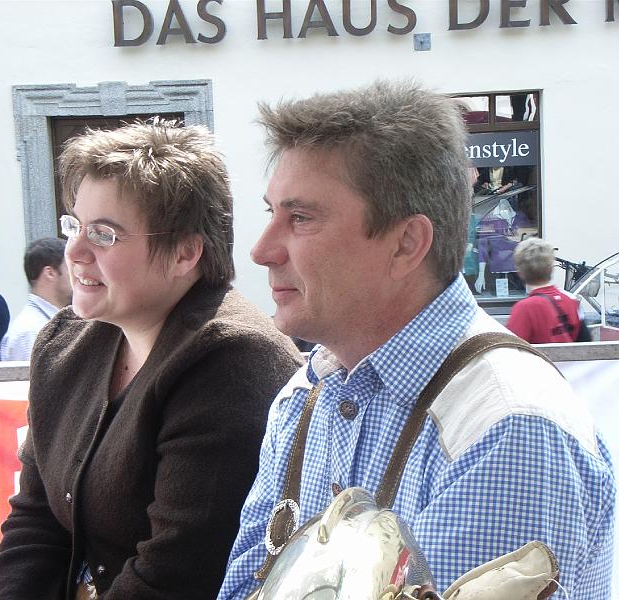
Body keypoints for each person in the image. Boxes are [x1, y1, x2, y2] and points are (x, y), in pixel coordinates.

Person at [218, 81, 614, 599]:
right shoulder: (305, 395)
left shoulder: (508, 426)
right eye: (271, 213)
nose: (261, 250)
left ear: (406, 243)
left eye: (301, 218)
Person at [0, 120, 303, 600]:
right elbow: (35, 520)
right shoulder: (64, 343)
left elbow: (175, 577)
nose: (75, 251)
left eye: (104, 234)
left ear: (184, 253)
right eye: (73, 225)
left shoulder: (232, 361)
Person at [0, 237, 71, 361]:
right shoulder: (29, 333)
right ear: (50, 273)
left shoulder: (50, 323)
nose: (79, 275)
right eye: (71, 267)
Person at [506, 237, 589, 343]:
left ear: (520, 272)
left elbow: (512, 348)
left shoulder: (523, 309)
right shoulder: (572, 301)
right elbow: (585, 342)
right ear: (552, 268)